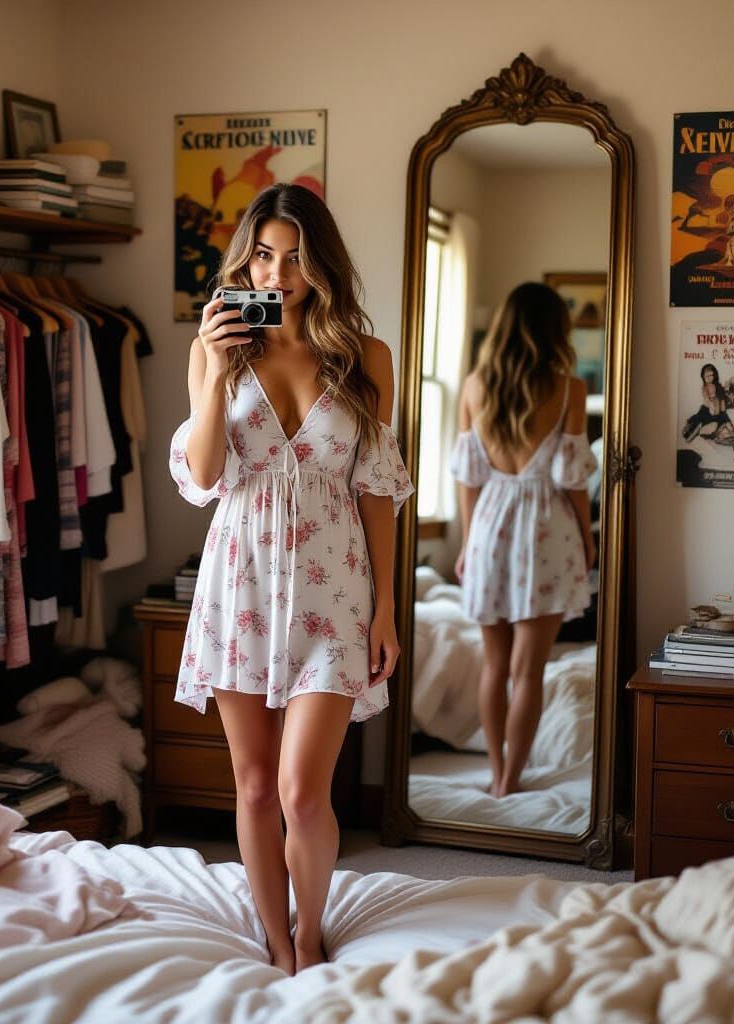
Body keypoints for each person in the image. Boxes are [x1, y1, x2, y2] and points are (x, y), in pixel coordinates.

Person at [168, 183, 413, 974]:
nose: (278, 274)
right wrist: (210, 370)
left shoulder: (364, 356)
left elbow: (377, 490)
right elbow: (204, 475)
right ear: (246, 257)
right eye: (265, 255)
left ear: (321, 263)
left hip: (333, 587)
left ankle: (311, 933)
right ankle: (275, 941)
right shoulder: (218, 347)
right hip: (239, 582)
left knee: (305, 792)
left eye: (296, 257)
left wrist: (385, 611)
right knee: (254, 788)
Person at [450, 282, 596, 798]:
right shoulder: (569, 388)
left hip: (490, 524)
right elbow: (573, 480)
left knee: (495, 664)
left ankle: (495, 773)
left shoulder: (473, 386)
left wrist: (469, 543)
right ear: (553, 329)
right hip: (547, 530)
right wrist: (587, 538)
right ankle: (513, 777)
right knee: (527, 670)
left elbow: (467, 478)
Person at [681, 363, 730, 443]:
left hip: (718, 411)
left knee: (723, 422)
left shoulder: (718, 386)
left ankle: (713, 433)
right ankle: (691, 431)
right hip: (707, 409)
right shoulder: (705, 387)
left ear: (715, 375)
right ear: (703, 377)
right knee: (700, 419)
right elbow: (706, 398)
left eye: (711, 375)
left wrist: (722, 409)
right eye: (706, 376)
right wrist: (711, 406)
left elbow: (722, 398)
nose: (709, 378)